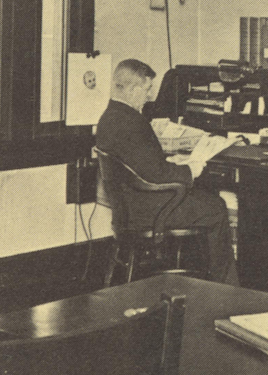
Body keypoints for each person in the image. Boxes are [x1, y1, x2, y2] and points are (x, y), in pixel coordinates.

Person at [95, 59, 239, 285]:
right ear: (133, 90)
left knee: (203, 200)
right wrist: (190, 169)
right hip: (151, 211)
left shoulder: (109, 117)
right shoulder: (131, 121)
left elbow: (143, 165)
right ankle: (226, 287)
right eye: (147, 89)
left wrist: (173, 162)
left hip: (129, 210)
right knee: (216, 207)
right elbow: (158, 175)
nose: (149, 96)